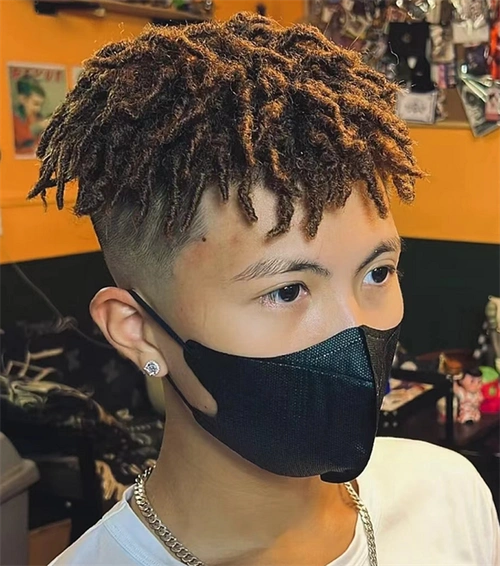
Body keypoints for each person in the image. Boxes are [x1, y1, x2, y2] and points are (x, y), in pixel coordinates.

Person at [30, 13, 499, 566]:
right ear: (138, 332)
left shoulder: (448, 497)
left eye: (377, 273)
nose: (355, 329)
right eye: (286, 291)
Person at [13, 75, 49, 156]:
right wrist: (38, 127)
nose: (38, 109)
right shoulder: (14, 118)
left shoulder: (38, 117)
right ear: (23, 99)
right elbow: (20, 139)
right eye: (35, 104)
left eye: (41, 105)